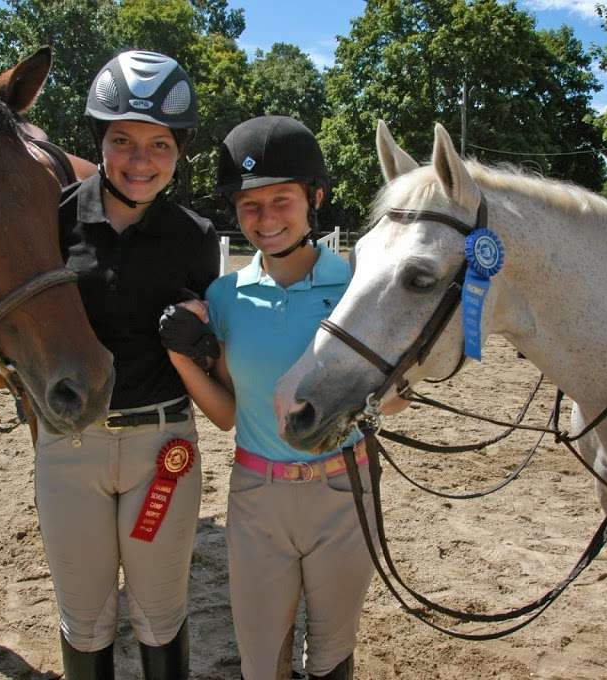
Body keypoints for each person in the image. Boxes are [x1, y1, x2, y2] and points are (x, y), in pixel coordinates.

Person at [160, 115, 405, 680]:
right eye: (250, 205)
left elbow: (390, 404)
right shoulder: (225, 297)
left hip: (344, 491)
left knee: (331, 654)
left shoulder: (356, 288)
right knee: (260, 655)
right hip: (257, 496)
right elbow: (226, 416)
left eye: (281, 200)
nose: (265, 218)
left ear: (313, 197)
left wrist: (399, 384)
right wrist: (180, 357)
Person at [35, 50, 219, 680]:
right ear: (99, 141)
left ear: (179, 149)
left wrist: (197, 339)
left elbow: (213, 354)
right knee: (84, 616)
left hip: (162, 448)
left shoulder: (196, 237)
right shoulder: (53, 223)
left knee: (159, 612)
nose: (141, 162)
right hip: (69, 449)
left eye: (159, 144)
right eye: (122, 141)